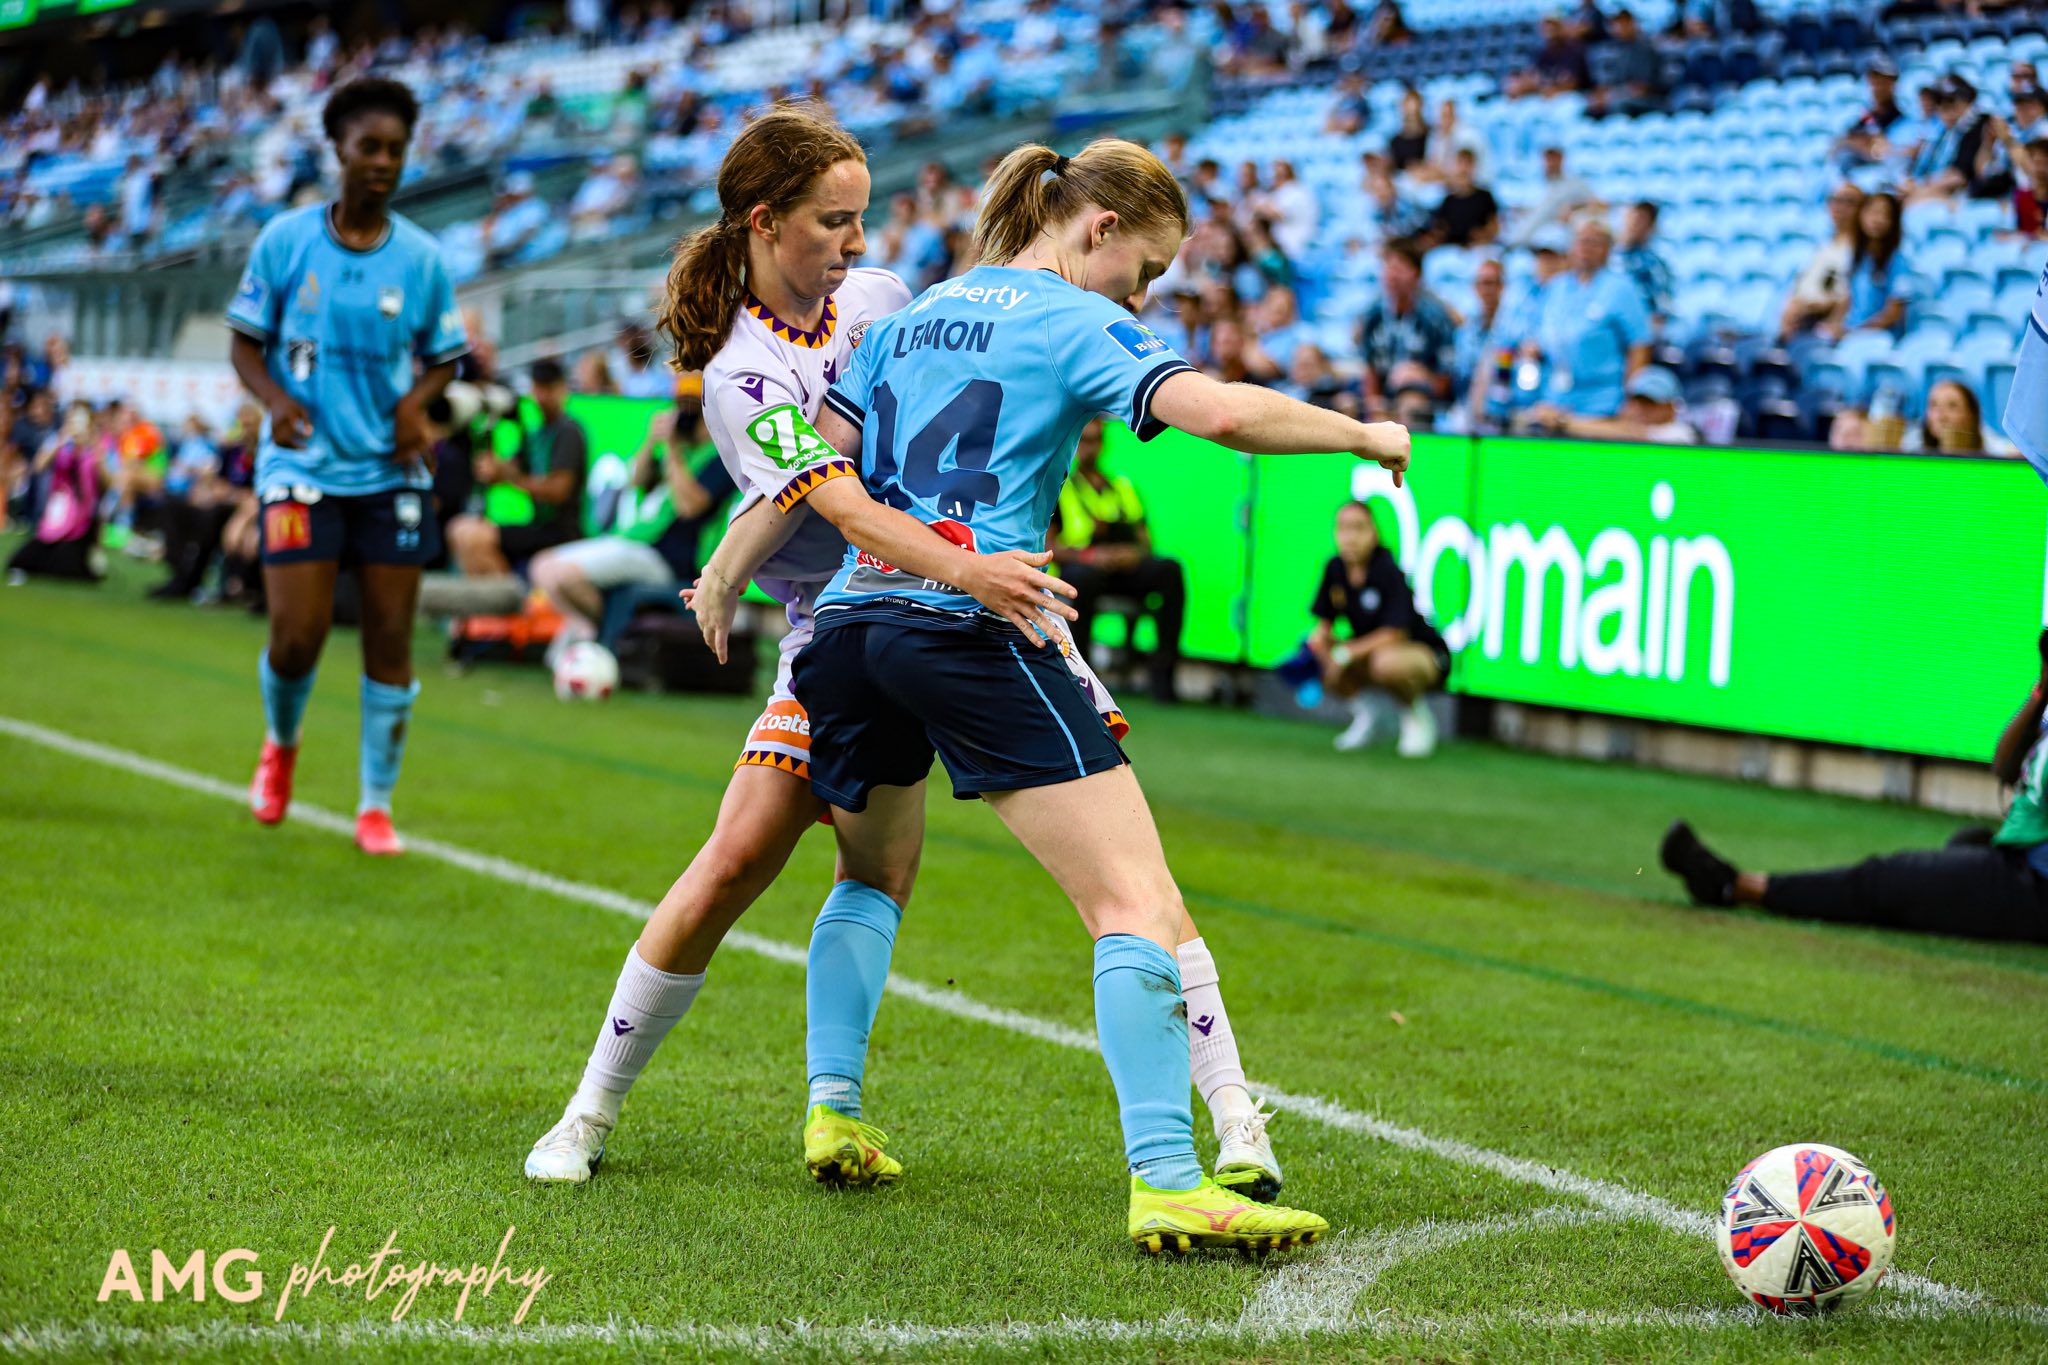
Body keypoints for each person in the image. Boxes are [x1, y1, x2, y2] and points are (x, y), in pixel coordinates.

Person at [521, 107, 1276, 1204]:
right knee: (736, 862)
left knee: (906, 869)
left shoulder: (878, 304)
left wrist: (744, 563)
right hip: (852, 621)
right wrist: (775, 564)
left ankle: (1229, 1119)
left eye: (863, 218)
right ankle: (587, 1110)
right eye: (835, 222)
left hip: (949, 610)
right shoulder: (736, 377)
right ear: (764, 223)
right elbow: (834, 500)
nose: (860, 245)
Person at [788, 137, 1410, 1251]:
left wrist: (736, 566)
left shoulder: (907, 318)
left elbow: (816, 470)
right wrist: (1362, 434)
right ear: (1100, 228)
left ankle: (831, 1110)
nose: (1147, 294)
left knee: (871, 872)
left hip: (845, 624)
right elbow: (1216, 414)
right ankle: (1168, 1179)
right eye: (1150, 270)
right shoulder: (1073, 317)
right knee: (1134, 900)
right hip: (969, 620)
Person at [225, 77, 467, 856]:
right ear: (338, 149)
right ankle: (280, 745)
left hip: (391, 475)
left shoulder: (424, 259)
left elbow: (445, 360)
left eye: (395, 150)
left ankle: (374, 805)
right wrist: (274, 402)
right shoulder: (286, 241)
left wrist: (414, 406)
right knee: (298, 636)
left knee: (389, 638)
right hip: (300, 465)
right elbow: (244, 343)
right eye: (370, 147)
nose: (383, 162)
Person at [1659, 634, 2048, 945]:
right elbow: (2005, 766)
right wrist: (2040, 693)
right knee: (1963, 846)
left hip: (2033, 885)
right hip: (2017, 861)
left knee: (1880, 879)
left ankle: (1734, 885)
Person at [527, 396, 736, 651]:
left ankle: (597, 635)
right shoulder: (684, 452)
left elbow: (689, 506)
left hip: (670, 559)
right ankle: (590, 631)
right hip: (636, 543)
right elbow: (635, 480)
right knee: (542, 567)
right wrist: (652, 441)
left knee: (564, 575)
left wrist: (670, 448)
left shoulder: (722, 459)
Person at [1282, 501, 1447, 755]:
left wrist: (1345, 654)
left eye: (1358, 529)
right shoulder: (1334, 568)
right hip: (1367, 655)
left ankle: (1414, 713)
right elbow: (1323, 626)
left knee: (1386, 663)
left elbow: (1395, 634)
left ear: (1374, 534)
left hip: (1420, 655)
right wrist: (1315, 653)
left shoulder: (1388, 570)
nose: (1350, 538)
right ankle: (1370, 716)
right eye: (1343, 529)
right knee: (1319, 649)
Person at [1051, 420, 1188, 704]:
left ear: (1103, 444)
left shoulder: (1123, 488)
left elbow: (1145, 541)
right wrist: (1091, 556)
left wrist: (1132, 554)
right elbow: (1049, 545)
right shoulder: (1060, 488)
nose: (1089, 448)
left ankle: (1163, 673)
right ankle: (1082, 673)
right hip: (1082, 570)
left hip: (1122, 569)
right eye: (1083, 441)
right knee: (1084, 577)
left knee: (1169, 570)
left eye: (1095, 440)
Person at [446, 358, 588, 576]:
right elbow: (504, 470)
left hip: (561, 531)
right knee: (459, 530)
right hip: (537, 525)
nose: (541, 396)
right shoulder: (535, 433)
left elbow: (559, 491)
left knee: (476, 538)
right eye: (538, 388)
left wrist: (508, 476)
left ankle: (507, 604)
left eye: (548, 388)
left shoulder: (568, 431)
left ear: (562, 389)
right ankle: (486, 603)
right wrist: (490, 465)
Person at [1531, 217, 1652, 418]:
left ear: (1607, 249)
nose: (1586, 248)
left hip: (1602, 400)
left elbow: (1639, 345)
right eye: (1581, 241)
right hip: (1555, 397)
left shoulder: (1621, 288)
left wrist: (1631, 399)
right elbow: (1541, 332)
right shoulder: (1556, 287)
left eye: (1595, 242)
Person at [1357, 237, 1458, 418]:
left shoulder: (1436, 316)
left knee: (1410, 403)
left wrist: (1420, 375)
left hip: (1424, 398)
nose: (1392, 275)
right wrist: (1373, 402)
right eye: (1388, 267)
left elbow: (1446, 379)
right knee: (1346, 403)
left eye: (1399, 268)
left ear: (1416, 273)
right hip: (1384, 397)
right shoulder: (1374, 314)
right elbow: (1369, 369)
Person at [6, 400, 101, 585]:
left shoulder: (97, 445)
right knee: (27, 558)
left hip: (82, 519)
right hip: (59, 512)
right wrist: (62, 440)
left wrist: (94, 448)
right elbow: (39, 466)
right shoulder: (59, 439)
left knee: (66, 566)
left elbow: (106, 480)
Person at [1521, 364, 1700, 443]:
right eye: (1636, 402)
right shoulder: (1623, 424)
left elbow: (1635, 434)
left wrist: (1563, 421)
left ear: (1670, 407)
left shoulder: (1681, 434)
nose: (1640, 410)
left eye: (1650, 403)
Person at [1780, 184, 1864, 340]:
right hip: (1800, 320)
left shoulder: (1858, 251)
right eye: (1835, 200)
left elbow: (1846, 297)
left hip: (1822, 324)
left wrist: (1810, 307)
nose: (1839, 207)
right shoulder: (1823, 245)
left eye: (1848, 201)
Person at [1827, 190, 1911, 340]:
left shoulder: (1898, 262)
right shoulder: (1857, 256)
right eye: (1872, 213)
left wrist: (1858, 332)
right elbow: (1848, 299)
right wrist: (1834, 325)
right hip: (1851, 332)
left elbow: (1894, 313)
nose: (1877, 219)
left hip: (1879, 338)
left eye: (1885, 215)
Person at [1899, 378, 2017, 456]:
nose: (1941, 416)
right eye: (1934, 405)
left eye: (1952, 406)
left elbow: (2007, 450)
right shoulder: (1912, 443)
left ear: (1971, 415)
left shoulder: (1989, 443)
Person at [1424, 148, 1499, 248]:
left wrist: (1484, 235)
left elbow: (1494, 226)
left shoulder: (1485, 196)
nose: (1464, 168)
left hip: (1478, 247)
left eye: (1468, 163)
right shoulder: (1448, 200)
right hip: (1452, 248)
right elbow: (1439, 228)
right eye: (1460, 163)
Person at [1616, 200, 1673, 329]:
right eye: (1634, 218)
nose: (1635, 224)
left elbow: (1661, 307)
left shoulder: (1654, 264)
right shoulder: (1607, 256)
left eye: (1642, 220)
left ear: (1651, 227)